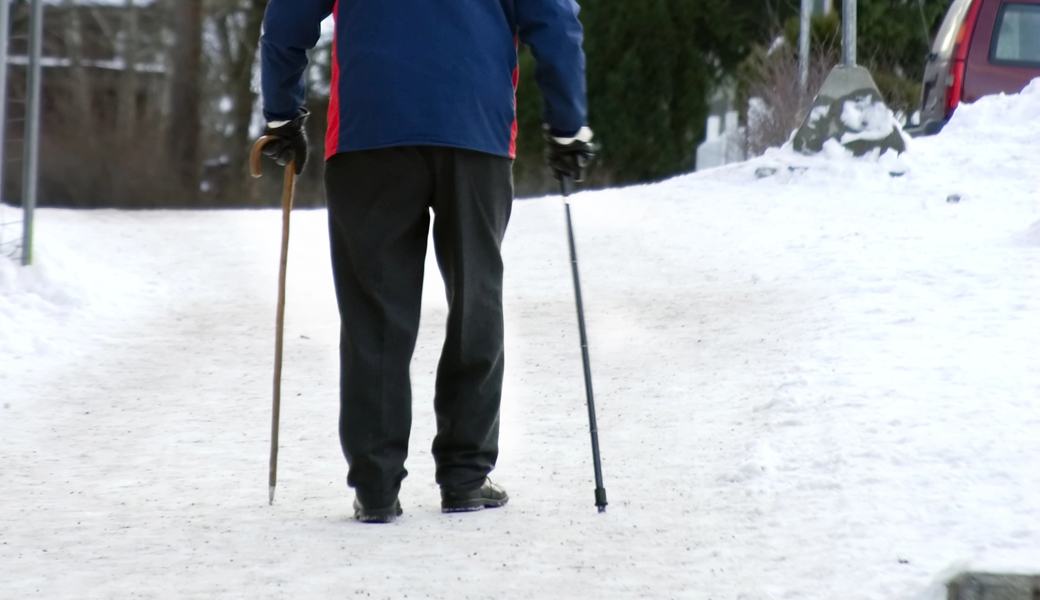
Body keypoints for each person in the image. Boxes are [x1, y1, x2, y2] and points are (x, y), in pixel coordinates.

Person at [258, 0, 595, 524]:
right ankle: (465, 476)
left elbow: (287, 17)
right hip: (475, 125)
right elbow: (554, 19)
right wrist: (567, 124)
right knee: (475, 298)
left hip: (369, 128)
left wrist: (282, 112)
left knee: (375, 310)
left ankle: (375, 486)